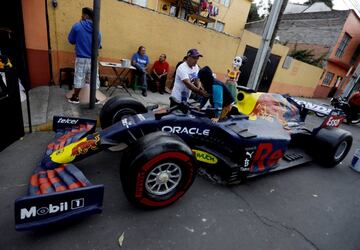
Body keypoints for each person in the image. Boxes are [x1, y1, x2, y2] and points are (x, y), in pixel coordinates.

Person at [68, 7, 102, 104]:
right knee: (93, 79)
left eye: (82, 15)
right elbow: (98, 46)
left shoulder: (77, 26)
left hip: (81, 58)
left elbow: (71, 40)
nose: (81, 17)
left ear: (86, 16)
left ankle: (75, 98)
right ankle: (94, 98)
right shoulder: (98, 31)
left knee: (79, 78)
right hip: (93, 59)